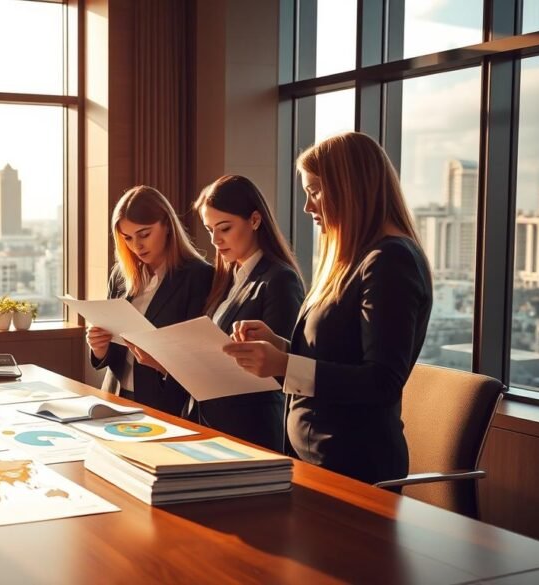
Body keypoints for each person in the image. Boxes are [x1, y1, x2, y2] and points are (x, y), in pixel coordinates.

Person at [225, 131, 433, 485]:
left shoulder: (389, 260)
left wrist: (285, 365)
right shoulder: (356, 258)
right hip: (318, 462)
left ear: (350, 187)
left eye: (315, 191)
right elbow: (340, 355)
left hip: (352, 467)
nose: (308, 207)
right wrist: (281, 348)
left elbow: (381, 381)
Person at [191, 175, 304, 451]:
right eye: (209, 230)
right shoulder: (227, 277)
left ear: (254, 220)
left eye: (224, 228)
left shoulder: (279, 279)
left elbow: (283, 370)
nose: (215, 240)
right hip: (214, 423)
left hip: (252, 428)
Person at [86, 185, 213, 416]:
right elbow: (114, 352)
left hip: (165, 404)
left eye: (144, 234)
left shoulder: (198, 276)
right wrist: (99, 348)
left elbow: (198, 356)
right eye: (127, 238)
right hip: (115, 397)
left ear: (167, 225)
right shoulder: (121, 275)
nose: (137, 246)